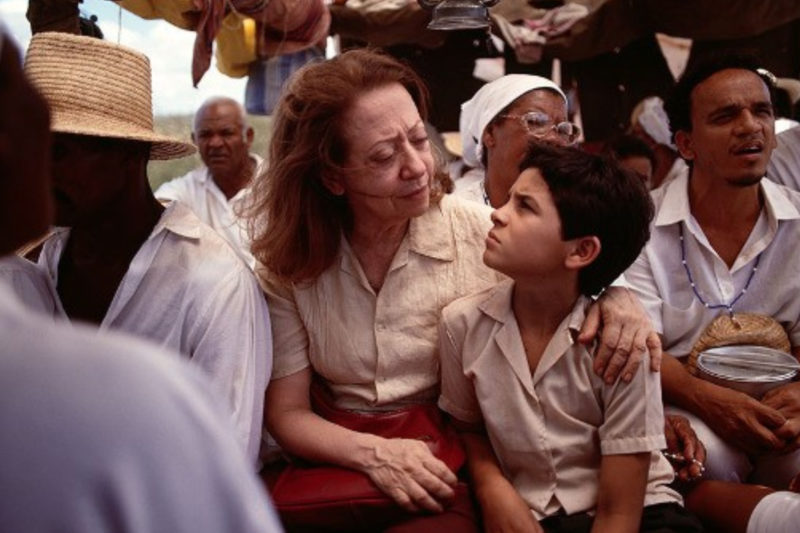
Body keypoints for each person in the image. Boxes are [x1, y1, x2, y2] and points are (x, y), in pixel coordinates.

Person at [250, 48, 660, 530]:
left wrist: (617, 297)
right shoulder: (292, 262)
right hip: (335, 459)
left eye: (419, 140)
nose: (418, 167)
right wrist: (377, 455)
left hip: (450, 461)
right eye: (384, 156)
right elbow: (288, 412)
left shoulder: (485, 236)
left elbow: (572, 272)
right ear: (331, 176)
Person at [0, 26, 282, 533]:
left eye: (62, 152)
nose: (39, 169)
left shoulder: (214, 281)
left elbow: (224, 463)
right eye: (35, 150)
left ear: (129, 156)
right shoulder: (35, 271)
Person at [439, 144, 703, 533]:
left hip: (640, 516)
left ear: (581, 250)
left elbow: (619, 512)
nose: (497, 214)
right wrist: (492, 485)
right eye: (509, 199)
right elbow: (468, 427)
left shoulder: (623, 347)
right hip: (536, 514)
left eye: (525, 207)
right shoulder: (462, 325)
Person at [625, 54, 800, 489]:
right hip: (686, 403)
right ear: (686, 145)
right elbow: (643, 348)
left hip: (786, 400)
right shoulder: (639, 228)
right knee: (702, 462)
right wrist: (711, 401)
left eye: (762, 111)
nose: (750, 126)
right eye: (726, 116)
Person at [156, 96, 261, 267]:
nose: (215, 143)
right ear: (194, 140)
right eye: (205, 135)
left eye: (226, 133)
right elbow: (158, 204)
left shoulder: (277, 186)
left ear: (248, 137)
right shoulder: (188, 189)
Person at [455, 74, 580, 208]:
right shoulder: (454, 216)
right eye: (535, 122)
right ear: (490, 133)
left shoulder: (574, 210)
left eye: (563, 130)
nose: (554, 138)